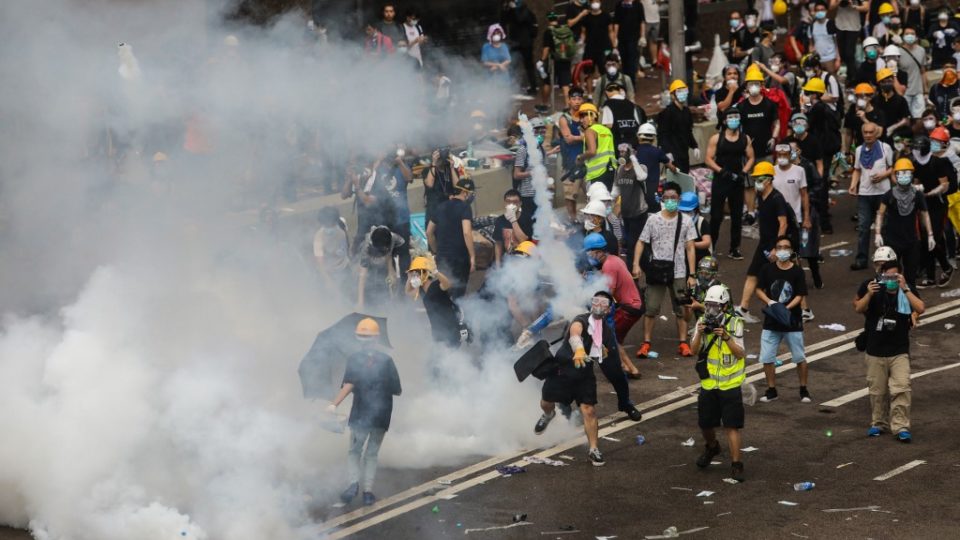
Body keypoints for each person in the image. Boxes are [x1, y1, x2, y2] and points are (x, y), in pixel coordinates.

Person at [534, 291, 619, 466]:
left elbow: (608, 351)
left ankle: (593, 449)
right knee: (546, 402)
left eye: (603, 303)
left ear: (609, 309)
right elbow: (575, 332)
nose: (599, 306)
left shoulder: (606, 330)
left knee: (589, 410)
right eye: (596, 301)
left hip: (584, 375)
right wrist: (579, 348)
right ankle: (548, 415)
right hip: (562, 371)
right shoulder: (581, 319)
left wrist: (604, 351)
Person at [328, 318, 402, 506]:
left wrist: (333, 405)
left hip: (361, 414)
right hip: (382, 415)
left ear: (358, 339)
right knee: (372, 454)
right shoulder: (387, 360)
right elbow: (397, 390)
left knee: (354, 451)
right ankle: (368, 492)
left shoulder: (354, 359)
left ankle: (353, 484)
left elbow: (348, 385)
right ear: (377, 339)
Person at [853, 259, 925, 443]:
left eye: (895, 276)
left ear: (901, 275)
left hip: (899, 350)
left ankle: (901, 426)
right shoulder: (872, 288)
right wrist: (868, 294)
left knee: (901, 387)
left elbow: (920, 308)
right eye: (888, 276)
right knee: (877, 391)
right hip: (875, 349)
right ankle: (878, 423)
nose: (891, 279)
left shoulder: (905, 289)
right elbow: (858, 308)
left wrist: (906, 289)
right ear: (882, 274)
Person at [632, 182, 698, 358]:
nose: (670, 201)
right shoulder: (653, 219)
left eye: (673, 198)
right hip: (657, 270)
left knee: (682, 308)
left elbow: (690, 247)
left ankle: (683, 343)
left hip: (679, 271)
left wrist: (692, 275)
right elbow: (641, 241)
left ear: (679, 199)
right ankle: (646, 343)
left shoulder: (686, 220)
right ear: (662, 199)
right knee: (651, 309)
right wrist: (636, 264)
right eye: (666, 198)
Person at [582, 234, 645, 418]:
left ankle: (626, 403)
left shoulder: (606, 268)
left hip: (606, 326)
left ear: (598, 252)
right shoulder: (612, 260)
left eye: (590, 252)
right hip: (597, 326)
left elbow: (604, 300)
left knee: (615, 372)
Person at [692, 285, 747, 483]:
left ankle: (736, 464)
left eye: (715, 306)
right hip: (708, 384)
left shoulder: (735, 324)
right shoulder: (702, 321)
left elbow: (740, 353)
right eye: (708, 305)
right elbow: (692, 350)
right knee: (705, 424)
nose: (710, 310)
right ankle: (712, 447)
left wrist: (726, 336)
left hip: (730, 384)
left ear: (724, 307)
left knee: (731, 426)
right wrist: (699, 333)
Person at [734, 162, 795, 324]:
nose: (756, 183)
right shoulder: (761, 196)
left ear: (768, 180)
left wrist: (778, 247)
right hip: (764, 244)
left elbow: (783, 223)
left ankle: (800, 310)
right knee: (753, 274)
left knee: (786, 277)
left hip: (774, 245)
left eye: (759, 179)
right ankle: (743, 308)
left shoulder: (777, 199)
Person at [755, 235, 811, 404]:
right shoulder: (767, 269)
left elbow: (800, 295)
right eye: (779, 247)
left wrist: (785, 309)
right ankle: (771, 389)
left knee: (799, 357)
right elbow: (759, 290)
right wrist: (771, 303)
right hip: (772, 321)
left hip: (792, 322)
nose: (782, 250)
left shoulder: (797, 271)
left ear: (792, 251)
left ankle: (803, 388)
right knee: (767, 357)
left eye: (786, 247)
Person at [875, 158, 937, 287]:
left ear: (912, 175)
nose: (904, 176)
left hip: (911, 241)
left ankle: (909, 301)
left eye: (907, 173)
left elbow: (925, 214)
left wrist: (930, 235)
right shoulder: (888, 195)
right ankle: (889, 302)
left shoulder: (917, 195)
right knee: (889, 276)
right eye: (901, 173)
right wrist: (877, 233)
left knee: (910, 277)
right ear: (896, 175)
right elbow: (880, 214)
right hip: (892, 241)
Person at [705, 107, 755, 260]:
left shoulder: (744, 138)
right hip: (721, 180)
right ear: (725, 121)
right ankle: (711, 247)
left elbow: (751, 157)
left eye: (736, 117)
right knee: (716, 216)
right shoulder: (716, 138)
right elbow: (708, 159)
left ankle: (734, 248)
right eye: (730, 117)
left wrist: (744, 172)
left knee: (737, 216)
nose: (734, 120)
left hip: (737, 181)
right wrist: (720, 171)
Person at [849, 123, 894, 271]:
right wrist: (853, 184)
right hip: (865, 193)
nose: (868, 135)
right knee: (863, 227)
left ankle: (887, 260)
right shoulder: (859, 150)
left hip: (883, 193)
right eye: (865, 132)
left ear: (876, 134)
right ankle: (861, 259)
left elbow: (893, 167)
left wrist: (883, 175)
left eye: (871, 132)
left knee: (885, 227)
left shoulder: (885, 148)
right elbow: (856, 170)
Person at [739, 65, 779, 224]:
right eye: (751, 83)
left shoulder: (769, 105)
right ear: (747, 86)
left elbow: (777, 122)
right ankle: (750, 212)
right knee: (749, 184)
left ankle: (766, 211)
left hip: (766, 151)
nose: (754, 86)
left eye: (757, 83)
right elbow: (736, 127)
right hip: (748, 153)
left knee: (766, 183)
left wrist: (774, 138)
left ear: (762, 85)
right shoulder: (742, 106)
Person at [426, 178, 476, 298]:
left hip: (442, 257)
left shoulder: (440, 207)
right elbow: (467, 233)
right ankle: (457, 315)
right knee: (458, 294)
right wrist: (472, 256)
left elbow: (429, 232)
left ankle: (445, 316)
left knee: (444, 291)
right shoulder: (465, 207)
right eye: (471, 193)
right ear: (465, 193)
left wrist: (436, 251)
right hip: (459, 258)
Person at [405, 257, 463, 347]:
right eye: (414, 273)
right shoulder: (421, 290)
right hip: (437, 332)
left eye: (417, 272)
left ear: (425, 273)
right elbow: (408, 292)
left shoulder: (436, 285)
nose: (415, 276)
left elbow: (447, 284)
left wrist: (436, 272)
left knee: (450, 357)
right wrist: (409, 278)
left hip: (451, 330)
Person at [356, 225, 405, 310]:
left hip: (384, 264)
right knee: (370, 284)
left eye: (385, 248)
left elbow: (390, 252)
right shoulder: (366, 247)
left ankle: (390, 303)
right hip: (369, 266)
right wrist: (360, 302)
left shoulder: (392, 238)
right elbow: (362, 275)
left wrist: (390, 271)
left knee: (388, 284)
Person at [657, 80, 699, 173]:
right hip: (673, 152)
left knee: (685, 173)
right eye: (679, 91)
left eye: (684, 91)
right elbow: (662, 134)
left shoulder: (686, 111)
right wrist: (667, 151)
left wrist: (695, 146)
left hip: (684, 151)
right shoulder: (667, 113)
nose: (682, 94)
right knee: (675, 178)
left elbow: (688, 132)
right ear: (672, 95)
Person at [514, 117, 547, 233]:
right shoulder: (522, 150)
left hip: (541, 194)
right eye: (536, 131)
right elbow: (516, 174)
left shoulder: (540, 149)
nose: (540, 133)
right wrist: (532, 173)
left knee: (542, 226)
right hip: (528, 196)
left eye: (542, 131)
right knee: (530, 227)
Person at [558, 88, 586, 220]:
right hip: (570, 163)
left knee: (591, 193)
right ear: (569, 100)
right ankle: (573, 220)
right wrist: (586, 137)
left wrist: (581, 137)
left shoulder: (587, 116)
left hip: (588, 162)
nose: (577, 102)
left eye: (579, 99)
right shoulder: (564, 119)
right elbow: (568, 139)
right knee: (570, 195)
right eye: (574, 99)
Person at [501, 0, 539, 94]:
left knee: (529, 66)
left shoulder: (525, 10)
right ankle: (513, 87)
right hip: (515, 42)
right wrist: (506, 9)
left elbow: (520, 19)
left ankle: (533, 88)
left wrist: (514, 9)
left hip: (526, 43)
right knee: (513, 65)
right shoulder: (511, 11)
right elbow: (503, 21)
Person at [577, 102, 617, 191]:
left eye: (583, 116)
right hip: (611, 170)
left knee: (597, 202)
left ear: (592, 116)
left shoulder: (589, 131)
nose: (581, 120)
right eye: (581, 117)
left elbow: (592, 151)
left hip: (597, 174)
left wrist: (580, 157)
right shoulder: (607, 130)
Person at [540, 12, 576, 105]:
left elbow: (546, 48)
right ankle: (568, 105)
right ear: (557, 19)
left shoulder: (548, 31)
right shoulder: (565, 29)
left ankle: (544, 104)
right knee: (565, 84)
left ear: (548, 20)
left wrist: (542, 60)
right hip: (565, 59)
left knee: (547, 83)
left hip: (553, 60)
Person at [601, 81, 645, 149]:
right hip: (633, 141)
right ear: (619, 90)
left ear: (606, 92)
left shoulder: (608, 104)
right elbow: (637, 122)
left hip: (617, 142)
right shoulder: (631, 104)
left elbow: (608, 125)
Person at [493, 189, 531, 268]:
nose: (511, 205)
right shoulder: (500, 220)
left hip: (526, 260)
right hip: (509, 260)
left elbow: (524, 241)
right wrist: (498, 264)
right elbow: (498, 244)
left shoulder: (527, 218)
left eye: (515, 202)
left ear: (520, 204)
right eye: (508, 202)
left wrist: (513, 220)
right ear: (505, 203)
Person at [423, 147, 459, 226]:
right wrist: (434, 164)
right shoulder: (427, 170)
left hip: (449, 209)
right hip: (433, 210)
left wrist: (452, 168)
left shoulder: (449, 169)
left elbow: (457, 186)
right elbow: (429, 184)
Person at [612, 0, 644, 85]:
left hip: (633, 38)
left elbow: (642, 21)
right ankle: (625, 81)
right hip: (622, 37)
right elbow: (616, 22)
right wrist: (615, 38)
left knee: (631, 60)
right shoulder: (619, 5)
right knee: (624, 60)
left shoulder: (638, 5)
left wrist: (642, 36)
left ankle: (631, 83)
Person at [899, 26, 928, 119]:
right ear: (903, 36)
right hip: (905, 92)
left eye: (912, 34)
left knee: (919, 119)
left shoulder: (921, 50)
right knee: (906, 118)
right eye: (907, 34)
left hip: (918, 91)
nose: (910, 36)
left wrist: (925, 91)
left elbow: (923, 71)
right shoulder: (898, 52)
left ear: (916, 36)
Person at [831, 0, 867, 73]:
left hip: (853, 27)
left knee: (849, 54)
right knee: (842, 55)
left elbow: (866, 7)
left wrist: (854, 6)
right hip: (840, 26)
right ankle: (844, 75)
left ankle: (853, 76)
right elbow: (831, 7)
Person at [808, 2, 840, 75]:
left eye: (822, 10)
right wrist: (811, 53)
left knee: (832, 81)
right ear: (815, 12)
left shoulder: (831, 24)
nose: (820, 12)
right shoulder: (811, 26)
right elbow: (810, 44)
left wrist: (838, 59)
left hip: (830, 59)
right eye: (818, 10)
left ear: (826, 11)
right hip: (818, 60)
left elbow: (837, 43)